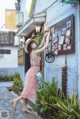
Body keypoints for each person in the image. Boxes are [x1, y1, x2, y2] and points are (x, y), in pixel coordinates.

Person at [11, 31, 51, 113]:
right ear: (30, 46)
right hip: (32, 73)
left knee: (26, 89)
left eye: (33, 42)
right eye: (32, 43)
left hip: (32, 72)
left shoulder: (34, 50)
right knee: (27, 90)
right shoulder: (34, 52)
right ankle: (16, 100)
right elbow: (45, 46)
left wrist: (45, 36)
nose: (34, 43)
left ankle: (24, 108)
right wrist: (48, 37)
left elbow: (41, 45)